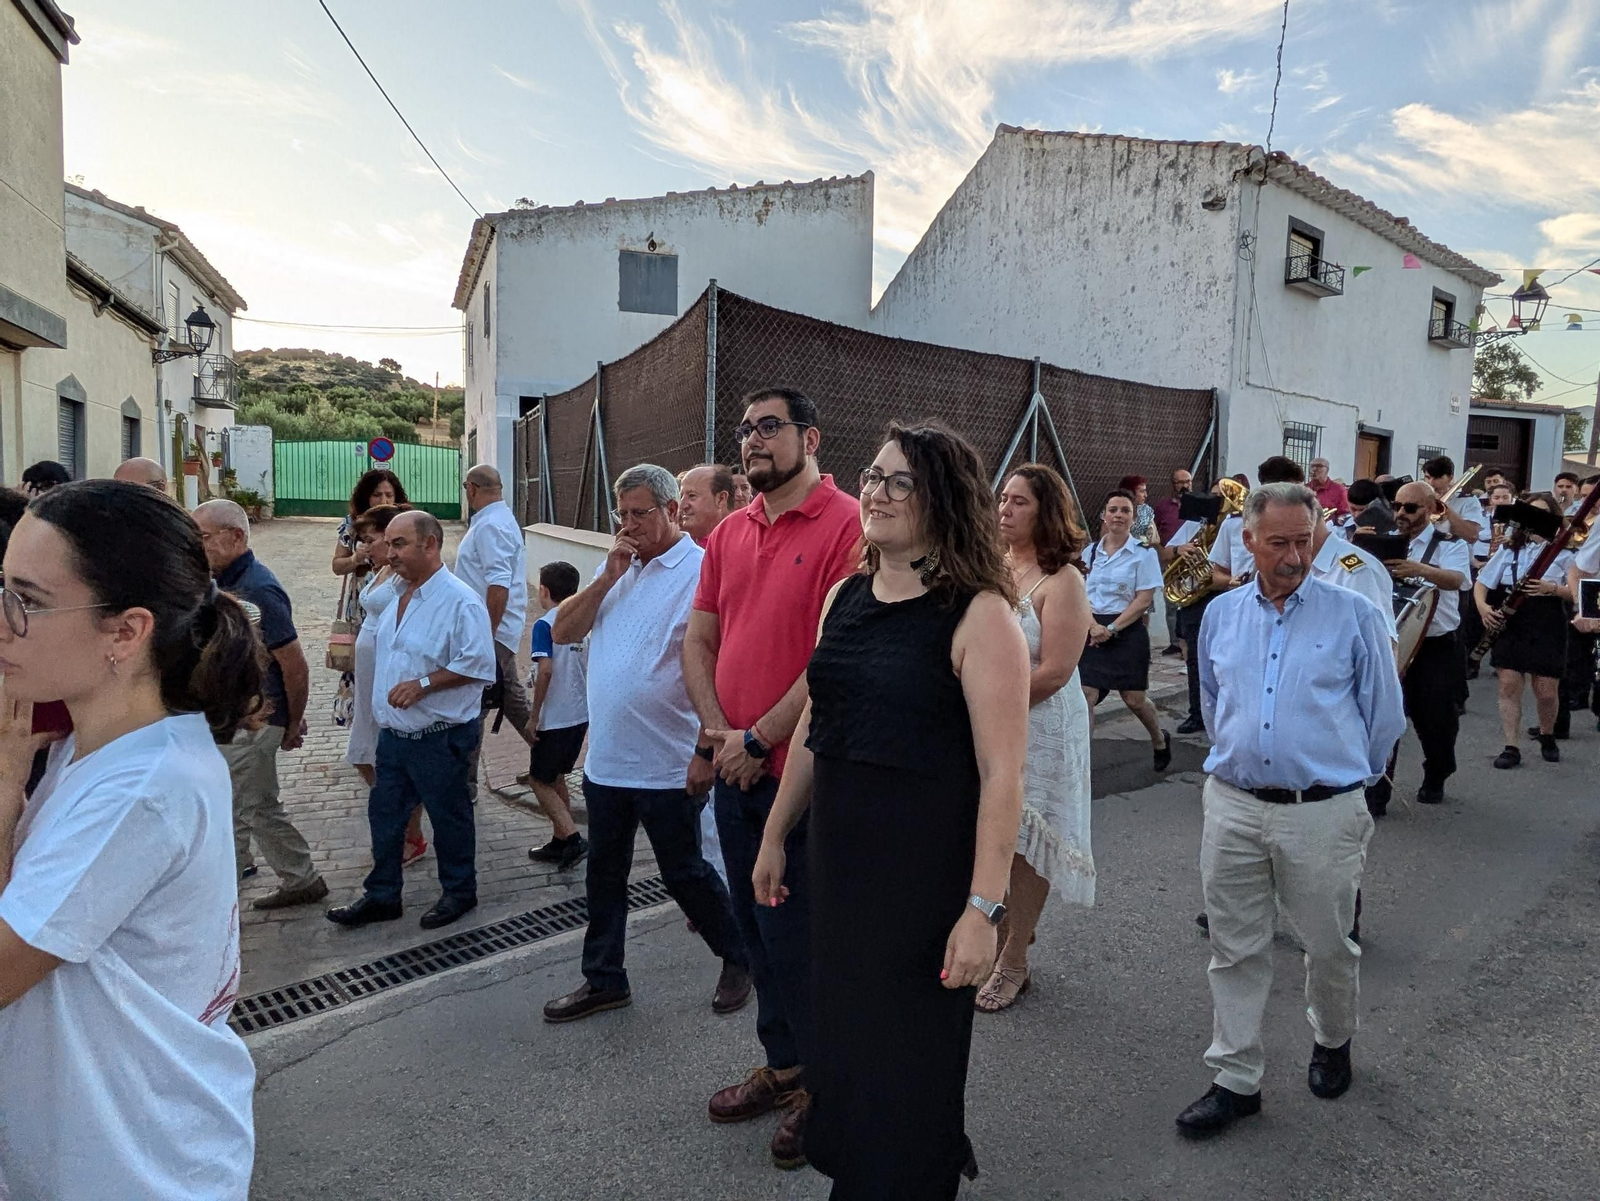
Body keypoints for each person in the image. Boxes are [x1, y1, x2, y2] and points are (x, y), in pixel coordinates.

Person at [753, 421, 1030, 1198]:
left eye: (899, 480)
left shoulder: (981, 616)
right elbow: (818, 721)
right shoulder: (845, 594)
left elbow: (1002, 774)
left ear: (942, 498)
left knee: (910, 1065)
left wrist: (983, 907)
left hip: (923, 884)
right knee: (844, 1048)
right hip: (840, 870)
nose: (875, 492)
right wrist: (776, 832)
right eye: (872, 476)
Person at [0, 479, 261, 1198]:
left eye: (27, 601)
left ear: (126, 631)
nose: (2, 620)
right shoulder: (100, 751)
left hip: (138, 1172)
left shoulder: (139, 789)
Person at [1175, 483, 1404, 1138]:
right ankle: (1235, 1077)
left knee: (1329, 942)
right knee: (1234, 946)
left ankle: (1332, 1038)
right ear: (1246, 540)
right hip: (1235, 806)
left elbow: (1383, 717)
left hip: (1323, 810)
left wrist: (1346, 784)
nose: (1295, 556)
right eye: (1279, 543)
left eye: (1304, 540)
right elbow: (1218, 707)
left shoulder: (1351, 612)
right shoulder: (1221, 615)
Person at [682, 388, 862, 1169]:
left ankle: (829, 1094)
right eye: (744, 430)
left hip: (804, 778)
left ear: (809, 436)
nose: (752, 441)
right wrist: (723, 733)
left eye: (769, 427)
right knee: (757, 936)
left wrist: (758, 736)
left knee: (807, 943)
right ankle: (786, 1066)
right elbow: (700, 635)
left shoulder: (848, 524)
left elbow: (834, 659)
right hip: (737, 769)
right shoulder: (729, 531)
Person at [541, 465, 750, 1023]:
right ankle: (604, 979)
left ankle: (740, 956)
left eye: (641, 513)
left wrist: (705, 750)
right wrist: (607, 576)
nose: (630, 525)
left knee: (685, 874)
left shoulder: (702, 570)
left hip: (668, 762)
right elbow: (560, 632)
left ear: (671, 511)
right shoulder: (615, 568)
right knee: (603, 877)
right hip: (607, 761)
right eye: (622, 515)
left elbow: (719, 668)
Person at [327, 512, 495, 931]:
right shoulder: (392, 592)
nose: (390, 552)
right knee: (384, 816)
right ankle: (383, 895)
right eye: (388, 542)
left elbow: (478, 665)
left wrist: (424, 683)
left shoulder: (460, 601)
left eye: (400, 543)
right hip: (395, 736)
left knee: (449, 816)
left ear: (431, 545)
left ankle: (459, 891)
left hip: (439, 736)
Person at [983, 463, 1094, 1014]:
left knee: (1031, 843)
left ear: (1045, 511)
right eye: (1003, 499)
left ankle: (1014, 963)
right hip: (992, 721)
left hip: (1043, 724)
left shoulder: (1065, 580)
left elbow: (1054, 671)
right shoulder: (997, 565)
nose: (1005, 509)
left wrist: (991, 701)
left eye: (1019, 502)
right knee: (995, 835)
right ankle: (1007, 935)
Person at [191, 500, 329, 910]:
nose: (198, 546)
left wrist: (292, 721)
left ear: (235, 537)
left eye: (203, 538)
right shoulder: (223, 582)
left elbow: (294, 663)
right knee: (239, 802)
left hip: (257, 720)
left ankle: (298, 878)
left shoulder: (256, 589)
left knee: (254, 806)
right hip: (237, 718)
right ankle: (241, 878)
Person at [342, 504, 428, 868]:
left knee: (381, 755)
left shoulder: (402, 578)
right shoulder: (378, 573)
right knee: (362, 753)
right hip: (368, 676)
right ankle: (399, 813)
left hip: (386, 673)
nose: (367, 547)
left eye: (371, 540)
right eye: (364, 540)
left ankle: (410, 829)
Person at [1385, 481, 1472, 802]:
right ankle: (1378, 793)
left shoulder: (1450, 545)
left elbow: (1458, 580)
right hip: (1391, 641)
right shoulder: (1386, 541)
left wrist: (1419, 568)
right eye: (1396, 507)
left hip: (1435, 645)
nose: (1401, 514)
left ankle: (1438, 769)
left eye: (1410, 508)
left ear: (1432, 508)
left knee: (1436, 720)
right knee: (1385, 716)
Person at [1474, 494, 1574, 767]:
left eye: (1543, 513)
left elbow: (1578, 593)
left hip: (1548, 617)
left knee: (1546, 691)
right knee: (1508, 683)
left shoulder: (1565, 554)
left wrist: (1551, 588)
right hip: (1514, 617)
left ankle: (1547, 733)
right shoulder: (1510, 550)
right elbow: (1482, 582)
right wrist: (1483, 608)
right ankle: (1511, 746)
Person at [455, 465, 537, 800]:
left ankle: (466, 786)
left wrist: (485, 639)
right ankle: (550, 760)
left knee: (475, 704)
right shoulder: (495, 521)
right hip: (494, 630)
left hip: (492, 632)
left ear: (471, 488)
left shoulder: (490, 525)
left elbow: (498, 585)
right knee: (510, 699)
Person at [1079, 489, 1172, 765]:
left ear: (1133, 518)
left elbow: (1143, 599)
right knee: (1086, 695)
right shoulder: (1090, 552)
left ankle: (1159, 738)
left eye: (1125, 511)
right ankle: (1081, 766)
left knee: (1133, 699)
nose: (1118, 515)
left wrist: (1112, 629)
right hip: (1092, 628)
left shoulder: (1143, 554)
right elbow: (1077, 593)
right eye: (1113, 510)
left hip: (1126, 630)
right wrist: (1093, 626)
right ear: (1104, 516)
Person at [330, 470, 409, 728]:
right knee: (362, 661)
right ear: (366, 497)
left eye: (389, 493)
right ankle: (361, 720)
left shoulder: (407, 522)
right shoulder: (353, 525)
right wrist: (357, 558)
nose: (384, 499)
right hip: (363, 596)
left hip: (394, 594)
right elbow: (337, 565)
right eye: (377, 495)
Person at [524, 561, 590, 869]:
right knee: (557, 776)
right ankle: (560, 840)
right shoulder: (583, 625)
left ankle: (574, 838)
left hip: (555, 717)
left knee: (539, 780)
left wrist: (534, 715)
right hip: (579, 715)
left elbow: (546, 669)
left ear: (544, 590)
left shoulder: (544, 625)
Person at [1153, 468, 1193, 654]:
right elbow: (1156, 536)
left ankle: (1189, 641)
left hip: (1193, 560)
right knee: (1171, 603)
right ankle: (1175, 643)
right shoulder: (1162, 507)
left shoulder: (1199, 503)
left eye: (1188, 481)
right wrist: (1164, 553)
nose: (1185, 486)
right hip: (1170, 560)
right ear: (1173, 485)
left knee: (1190, 603)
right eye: (1180, 482)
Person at [679, 464, 735, 546]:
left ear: (721, 499)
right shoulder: (677, 542)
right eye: (681, 497)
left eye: (692, 496)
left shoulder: (738, 542)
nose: (682, 506)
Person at [1117, 475, 1156, 545]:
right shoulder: (1114, 511)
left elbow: (1155, 539)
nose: (1145, 495)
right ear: (1130, 492)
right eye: (1141, 491)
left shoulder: (1146, 510)